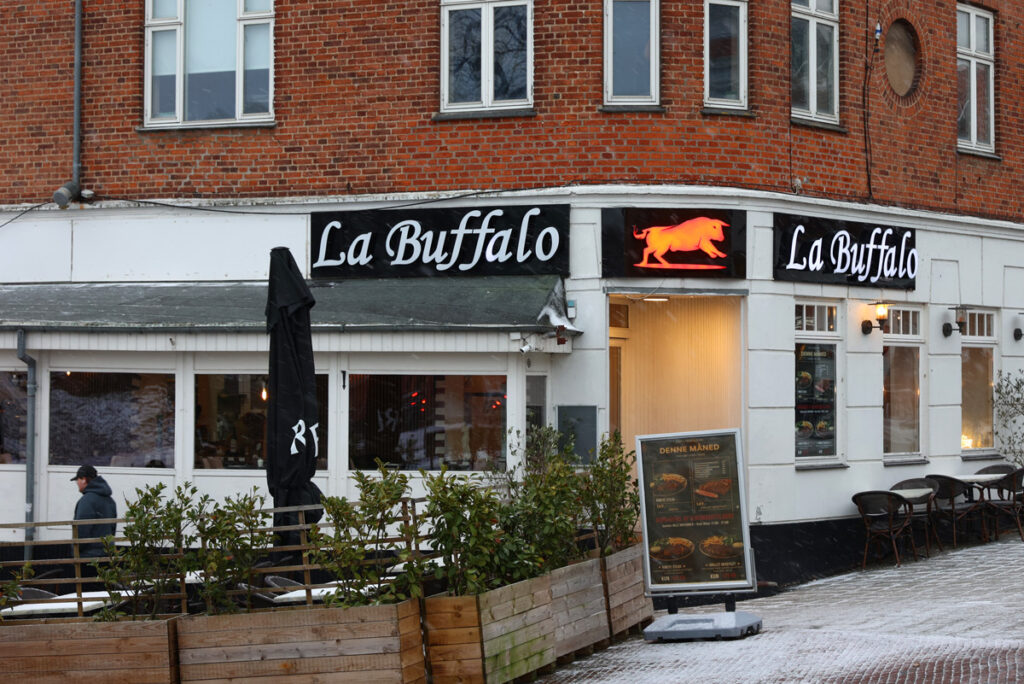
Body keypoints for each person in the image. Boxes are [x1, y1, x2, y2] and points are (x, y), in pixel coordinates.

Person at [71, 465, 117, 557]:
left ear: (84, 480)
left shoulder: (86, 501)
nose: (77, 483)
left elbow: (81, 530)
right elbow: (112, 528)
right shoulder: (110, 500)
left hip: (89, 556)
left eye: (77, 480)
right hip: (108, 554)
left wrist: (75, 551)